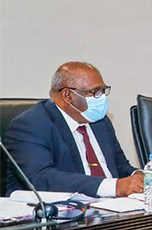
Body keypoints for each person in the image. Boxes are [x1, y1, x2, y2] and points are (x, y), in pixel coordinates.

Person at [4, 62, 142, 197]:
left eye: (103, 90)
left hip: (114, 209)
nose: (102, 98)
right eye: (95, 92)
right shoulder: (30, 125)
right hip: (62, 212)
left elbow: (120, 166)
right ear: (67, 95)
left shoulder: (100, 122)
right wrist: (114, 187)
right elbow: (40, 178)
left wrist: (138, 176)